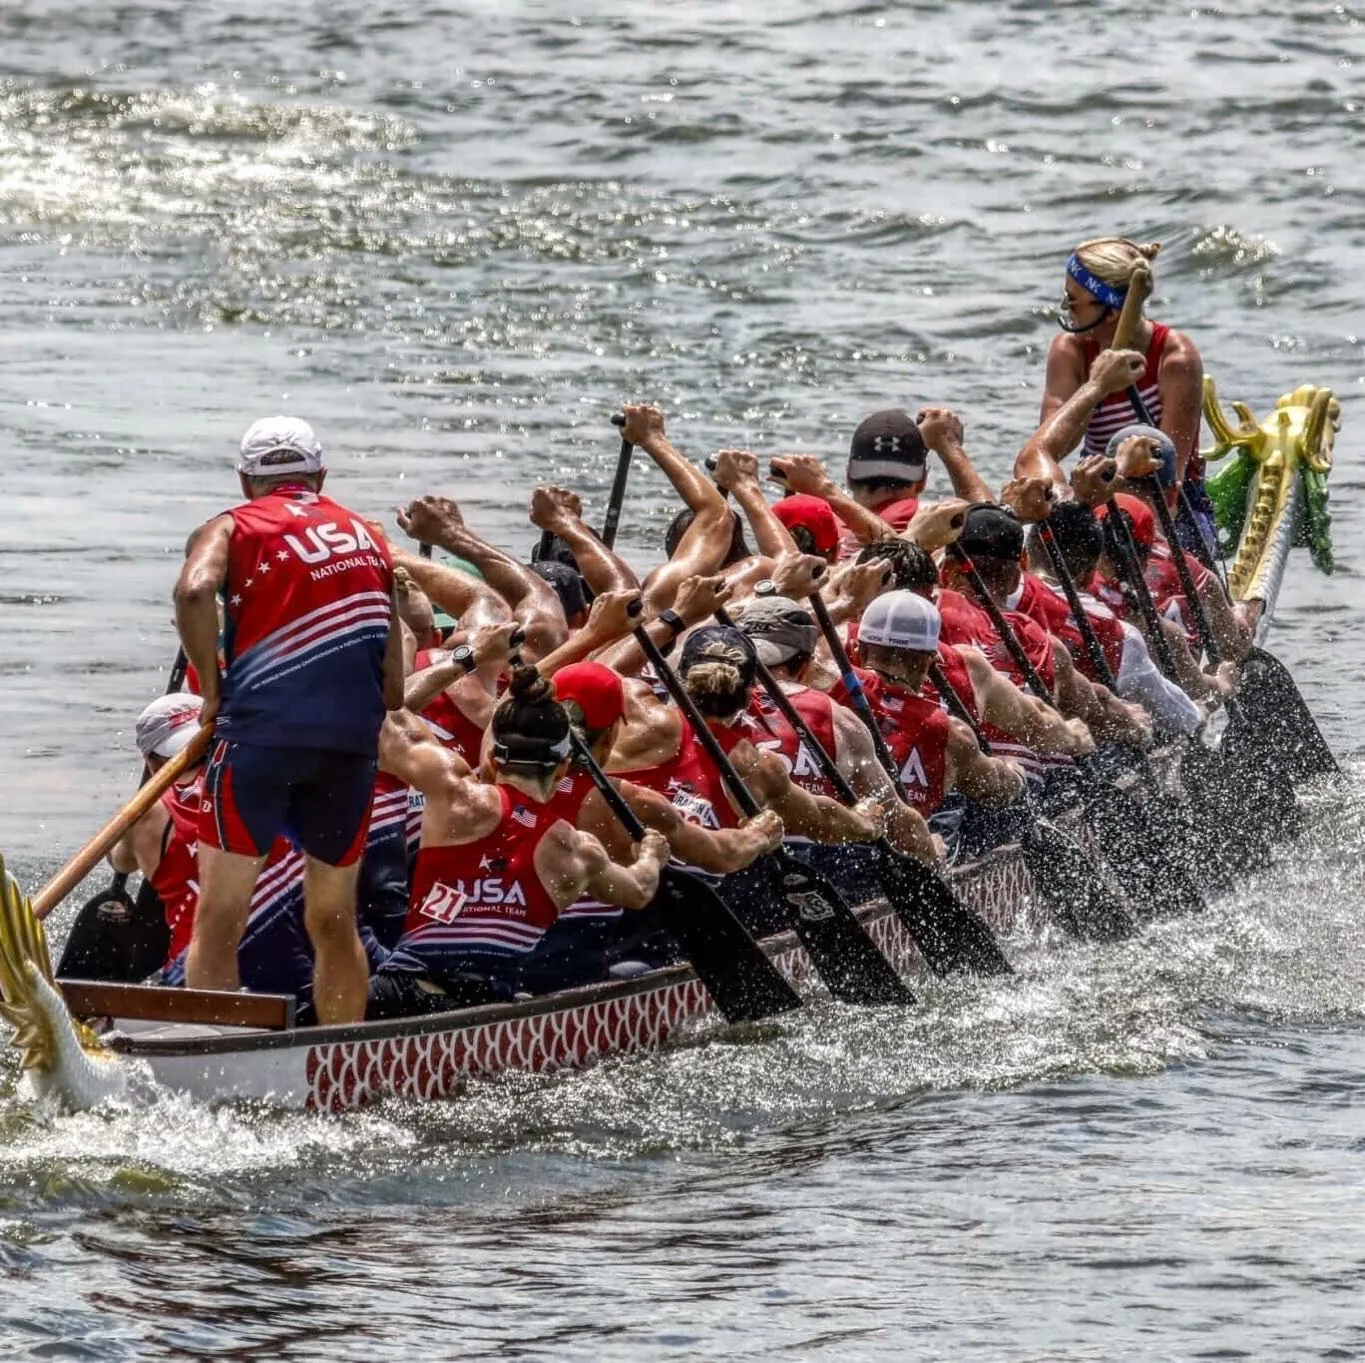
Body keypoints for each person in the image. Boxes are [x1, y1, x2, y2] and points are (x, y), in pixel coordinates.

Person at [173, 416, 405, 1023]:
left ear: (246, 480)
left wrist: (211, 693)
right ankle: (342, 1058)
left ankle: (212, 1054)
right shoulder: (368, 534)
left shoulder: (230, 525)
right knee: (332, 916)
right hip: (349, 750)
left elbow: (195, 592)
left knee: (221, 918)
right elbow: (396, 681)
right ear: (320, 475)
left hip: (258, 739)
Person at [370, 667, 671, 1016]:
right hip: (482, 1013)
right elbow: (639, 890)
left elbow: (382, 710)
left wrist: (468, 658)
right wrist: (651, 855)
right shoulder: (577, 851)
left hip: (396, 993)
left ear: (494, 761)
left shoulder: (454, 793)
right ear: (562, 768)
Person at [110, 693, 316, 1009]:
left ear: (151, 762)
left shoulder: (141, 818)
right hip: (297, 958)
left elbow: (120, 863)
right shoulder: (262, 772)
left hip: (199, 975)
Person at [1026, 236, 1216, 560]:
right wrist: (1097, 387)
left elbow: (1171, 479)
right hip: (1093, 493)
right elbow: (1049, 446)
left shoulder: (1175, 358)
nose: (1064, 310)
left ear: (1111, 312)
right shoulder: (1069, 351)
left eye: (1073, 302)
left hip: (1170, 506)